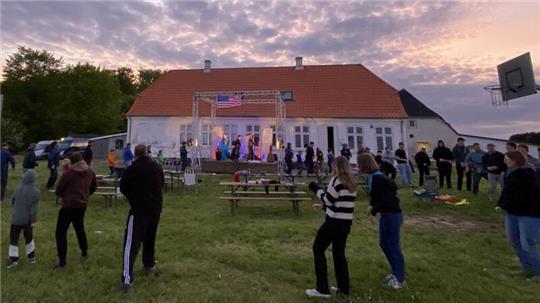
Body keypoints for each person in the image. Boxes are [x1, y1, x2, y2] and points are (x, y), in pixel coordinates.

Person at [305, 156, 357, 298]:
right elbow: (340, 203)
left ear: (336, 167)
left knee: (318, 249)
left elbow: (329, 200)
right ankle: (343, 288)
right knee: (339, 255)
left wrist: (316, 189)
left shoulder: (336, 180)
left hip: (333, 222)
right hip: (346, 223)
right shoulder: (352, 183)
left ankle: (322, 288)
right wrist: (323, 207)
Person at [120, 144, 164, 292]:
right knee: (150, 239)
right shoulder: (157, 167)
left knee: (131, 243)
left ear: (135, 155)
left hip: (139, 210)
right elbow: (161, 184)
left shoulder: (131, 170)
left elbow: (123, 188)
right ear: (147, 153)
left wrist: (133, 197)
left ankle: (127, 279)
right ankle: (149, 265)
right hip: (155, 209)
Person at [359, 153, 406, 289]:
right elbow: (376, 196)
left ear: (365, 165)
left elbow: (387, 199)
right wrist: (372, 204)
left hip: (392, 214)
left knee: (393, 246)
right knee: (384, 244)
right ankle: (395, 272)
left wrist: (373, 210)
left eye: (360, 164)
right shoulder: (375, 177)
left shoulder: (378, 178)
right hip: (386, 214)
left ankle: (400, 279)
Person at [497, 150, 540, 281]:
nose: (505, 161)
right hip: (512, 212)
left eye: (507, 159)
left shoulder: (528, 173)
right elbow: (507, 191)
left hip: (528, 213)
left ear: (515, 160)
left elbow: (520, 194)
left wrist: (505, 203)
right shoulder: (511, 172)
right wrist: (502, 204)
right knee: (514, 240)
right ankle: (527, 267)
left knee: (527, 243)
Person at [54, 152, 97, 270]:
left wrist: (66, 196)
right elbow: (93, 187)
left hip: (68, 205)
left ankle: (62, 261)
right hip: (82, 205)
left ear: (72, 162)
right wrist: (85, 195)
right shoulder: (90, 172)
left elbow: (59, 190)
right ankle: (84, 251)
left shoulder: (69, 174)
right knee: (80, 228)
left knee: (61, 232)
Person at [7, 169, 40, 269]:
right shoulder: (36, 192)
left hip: (16, 219)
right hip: (27, 220)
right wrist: (33, 221)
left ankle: (13, 260)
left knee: (14, 239)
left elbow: (12, 202)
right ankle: (31, 257)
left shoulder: (17, 189)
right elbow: (33, 209)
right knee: (29, 238)